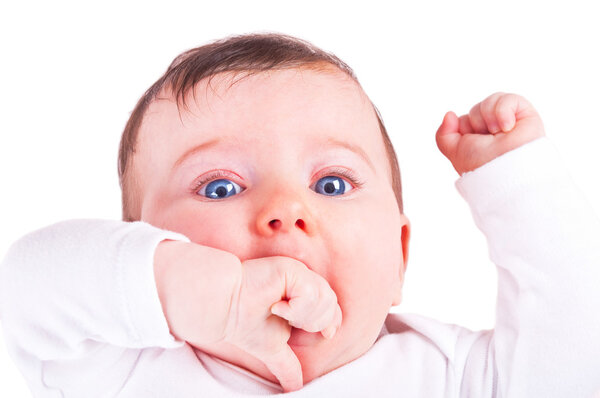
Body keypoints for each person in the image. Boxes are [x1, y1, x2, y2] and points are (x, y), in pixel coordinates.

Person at [1, 33, 599, 397]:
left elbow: (576, 334)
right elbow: (26, 289)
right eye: (218, 188)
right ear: (143, 245)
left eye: (332, 183)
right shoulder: (118, 373)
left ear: (401, 258)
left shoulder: (457, 376)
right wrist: (183, 288)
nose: (285, 210)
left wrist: (519, 183)